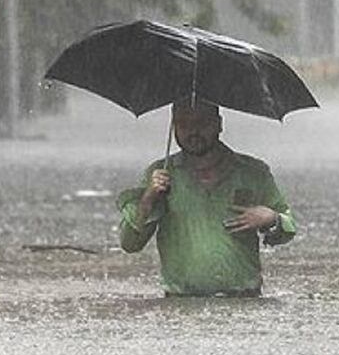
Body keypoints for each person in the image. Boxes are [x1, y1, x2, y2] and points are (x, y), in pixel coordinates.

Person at [116, 100, 297, 297]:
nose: (193, 131)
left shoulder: (253, 172)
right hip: (180, 304)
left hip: (244, 301)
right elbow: (129, 244)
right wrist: (148, 198)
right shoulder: (161, 175)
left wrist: (271, 219)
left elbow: (289, 227)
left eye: (202, 123)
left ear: (219, 124)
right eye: (183, 124)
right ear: (173, 126)